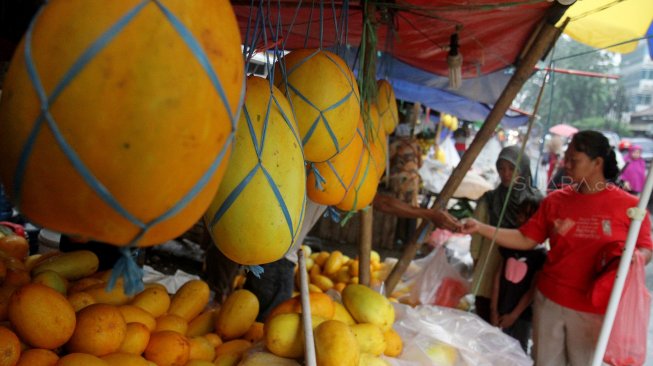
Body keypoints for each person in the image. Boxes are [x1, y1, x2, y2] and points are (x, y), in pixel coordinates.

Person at [462, 130, 653, 366]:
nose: (567, 165)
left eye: (575, 160)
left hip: (594, 309)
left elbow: (645, 248)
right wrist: (480, 227)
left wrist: (635, 258)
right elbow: (525, 239)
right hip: (550, 301)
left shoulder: (630, 207)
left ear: (597, 163)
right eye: (566, 158)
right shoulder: (555, 201)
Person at [470, 145, 543, 324]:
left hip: (521, 271)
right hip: (489, 262)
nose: (506, 173)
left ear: (523, 170)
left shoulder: (534, 202)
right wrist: (477, 262)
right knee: (484, 317)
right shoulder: (489, 199)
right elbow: (476, 238)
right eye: (501, 168)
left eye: (512, 169)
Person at [491, 196, 546, 352]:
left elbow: (532, 290)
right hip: (501, 308)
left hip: (522, 315)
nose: (521, 218)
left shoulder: (540, 255)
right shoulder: (508, 246)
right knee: (496, 350)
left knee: (518, 352)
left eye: (527, 215)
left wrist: (514, 315)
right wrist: (493, 309)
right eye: (520, 213)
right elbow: (497, 277)